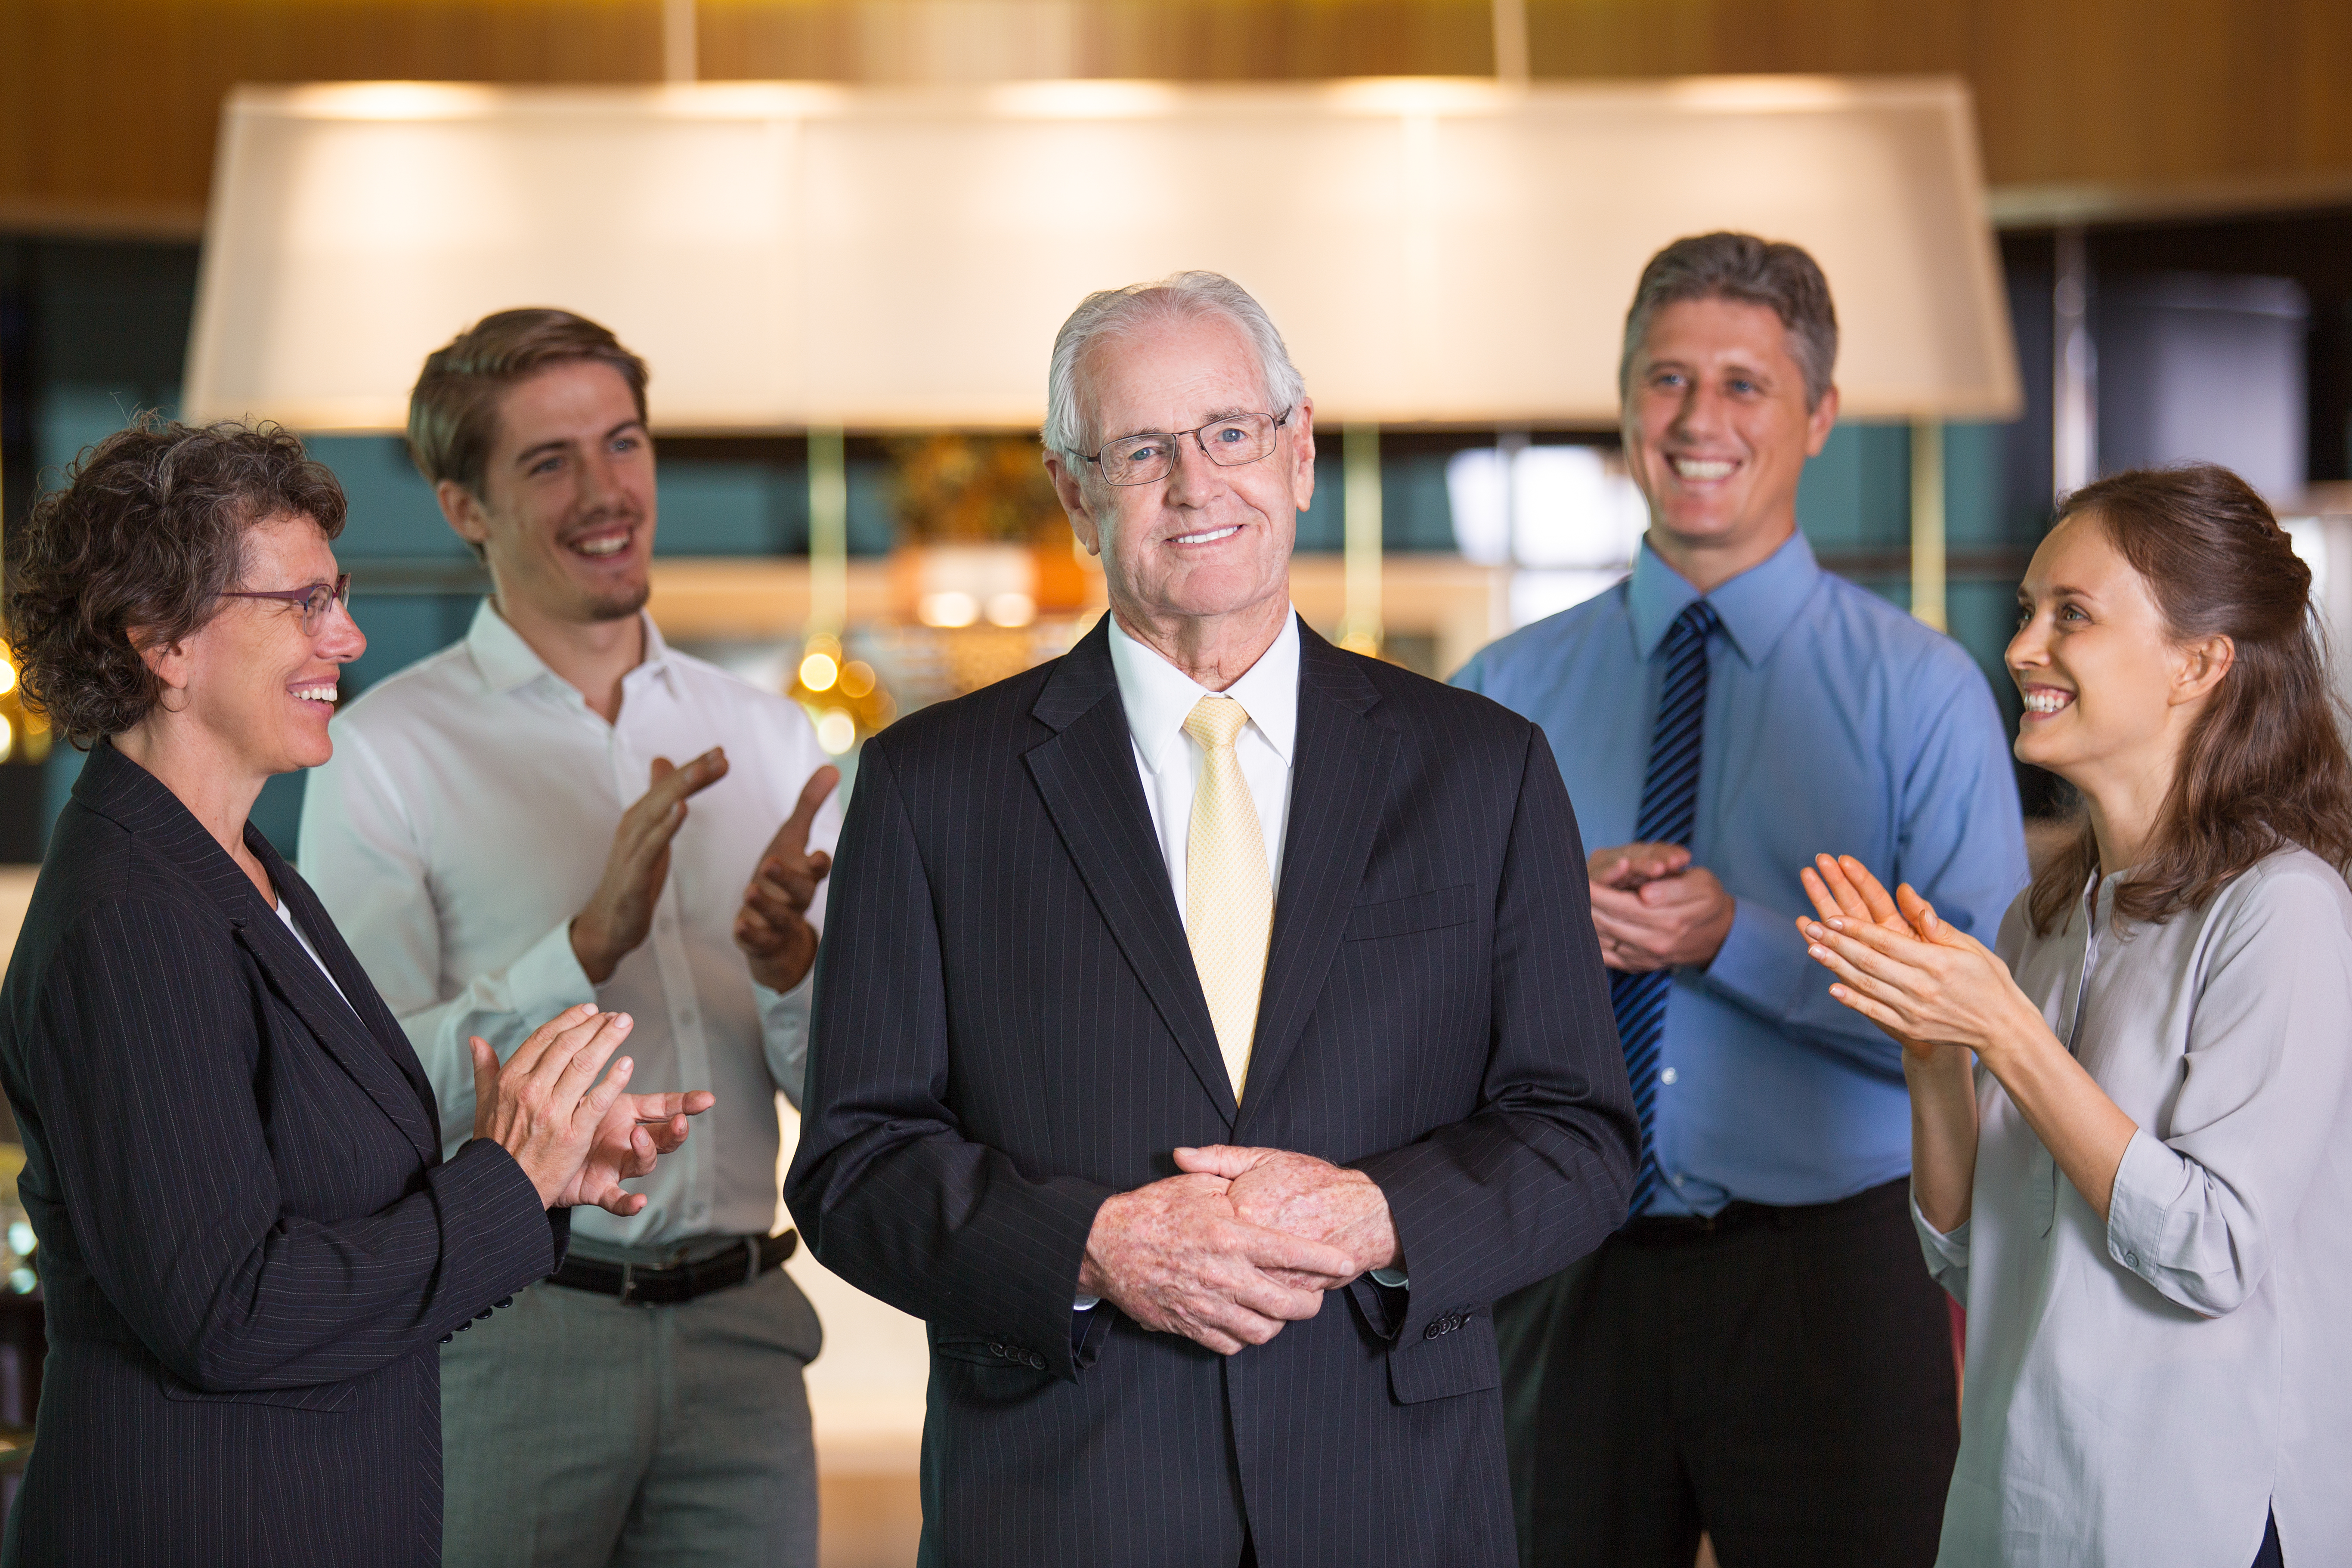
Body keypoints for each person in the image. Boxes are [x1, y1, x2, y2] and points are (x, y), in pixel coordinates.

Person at [785, 270, 1637, 1568]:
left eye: (1230, 432)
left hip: (1391, 1502)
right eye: (1142, 450)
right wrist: (1094, 1246)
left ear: (1300, 452)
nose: (1195, 485)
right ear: (1075, 493)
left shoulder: (1486, 769)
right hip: (1069, 1506)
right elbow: (854, 1165)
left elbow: (1578, 1136)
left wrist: (1378, 1213)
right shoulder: (928, 788)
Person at [0, 418, 707, 1568]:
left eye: (340, 597)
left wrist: (537, 1172)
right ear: (162, 640)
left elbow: (321, 1202)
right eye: (303, 604)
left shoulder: (245, 870)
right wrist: (501, 1183)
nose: (349, 636)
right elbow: (230, 1311)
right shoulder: (131, 920)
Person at [1452, 232, 2027, 1567]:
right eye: (1667, 378)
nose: (1698, 418)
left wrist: (1731, 939)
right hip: (1559, 1265)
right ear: (1624, 403)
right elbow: (1413, 998)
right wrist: (1534, 926)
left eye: (1744, 384)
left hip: (1838, 1278)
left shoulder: (1923, 692)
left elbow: (1988, 1020)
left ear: (1819, 415)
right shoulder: (1501, 690)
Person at [297, 309, 841, 1567]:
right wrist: (581, 949)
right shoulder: (384, 751)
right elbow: (359, 1100)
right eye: (549, 461)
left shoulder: (770, 739)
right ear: (463, 507)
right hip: (509, 1332)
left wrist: (793, 975)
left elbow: (846, 1091)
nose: (607, 492)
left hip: (746, 1342)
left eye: (624, 442)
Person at [1798, 464, 2350, 1568]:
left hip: (2197, 1522)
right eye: (2026, 611)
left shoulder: (2281, 908)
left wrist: (2006, 1032)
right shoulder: (2042, 917)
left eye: (2072, 615)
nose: (2020, 648)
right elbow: (1968, 1257)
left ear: (2197, 663)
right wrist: (1932, 1055)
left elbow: (2211, 1249)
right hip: (2016, 1506)